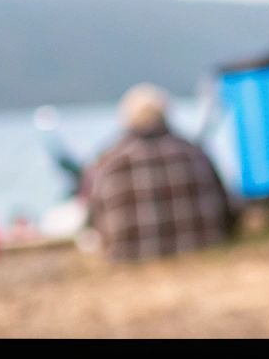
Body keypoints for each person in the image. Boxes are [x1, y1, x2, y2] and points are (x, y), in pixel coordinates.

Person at [82, 84, 232, 261]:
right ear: (166, 115)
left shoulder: (109, 162)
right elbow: (227, 208)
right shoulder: (194, 154)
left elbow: (94, 219)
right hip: (202, 245)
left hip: (129, 255)